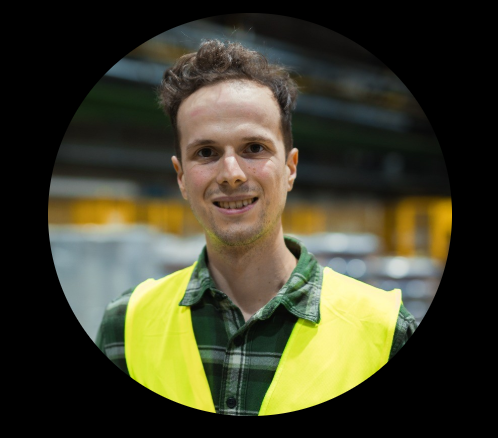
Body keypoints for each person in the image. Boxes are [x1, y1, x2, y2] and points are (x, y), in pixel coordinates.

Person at [96, 39, 417, 415]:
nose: (231, 174)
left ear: (290, 168)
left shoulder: (385, 332)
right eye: (206, 153)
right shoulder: (126, 325)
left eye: (253, 148)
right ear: (181, 177)